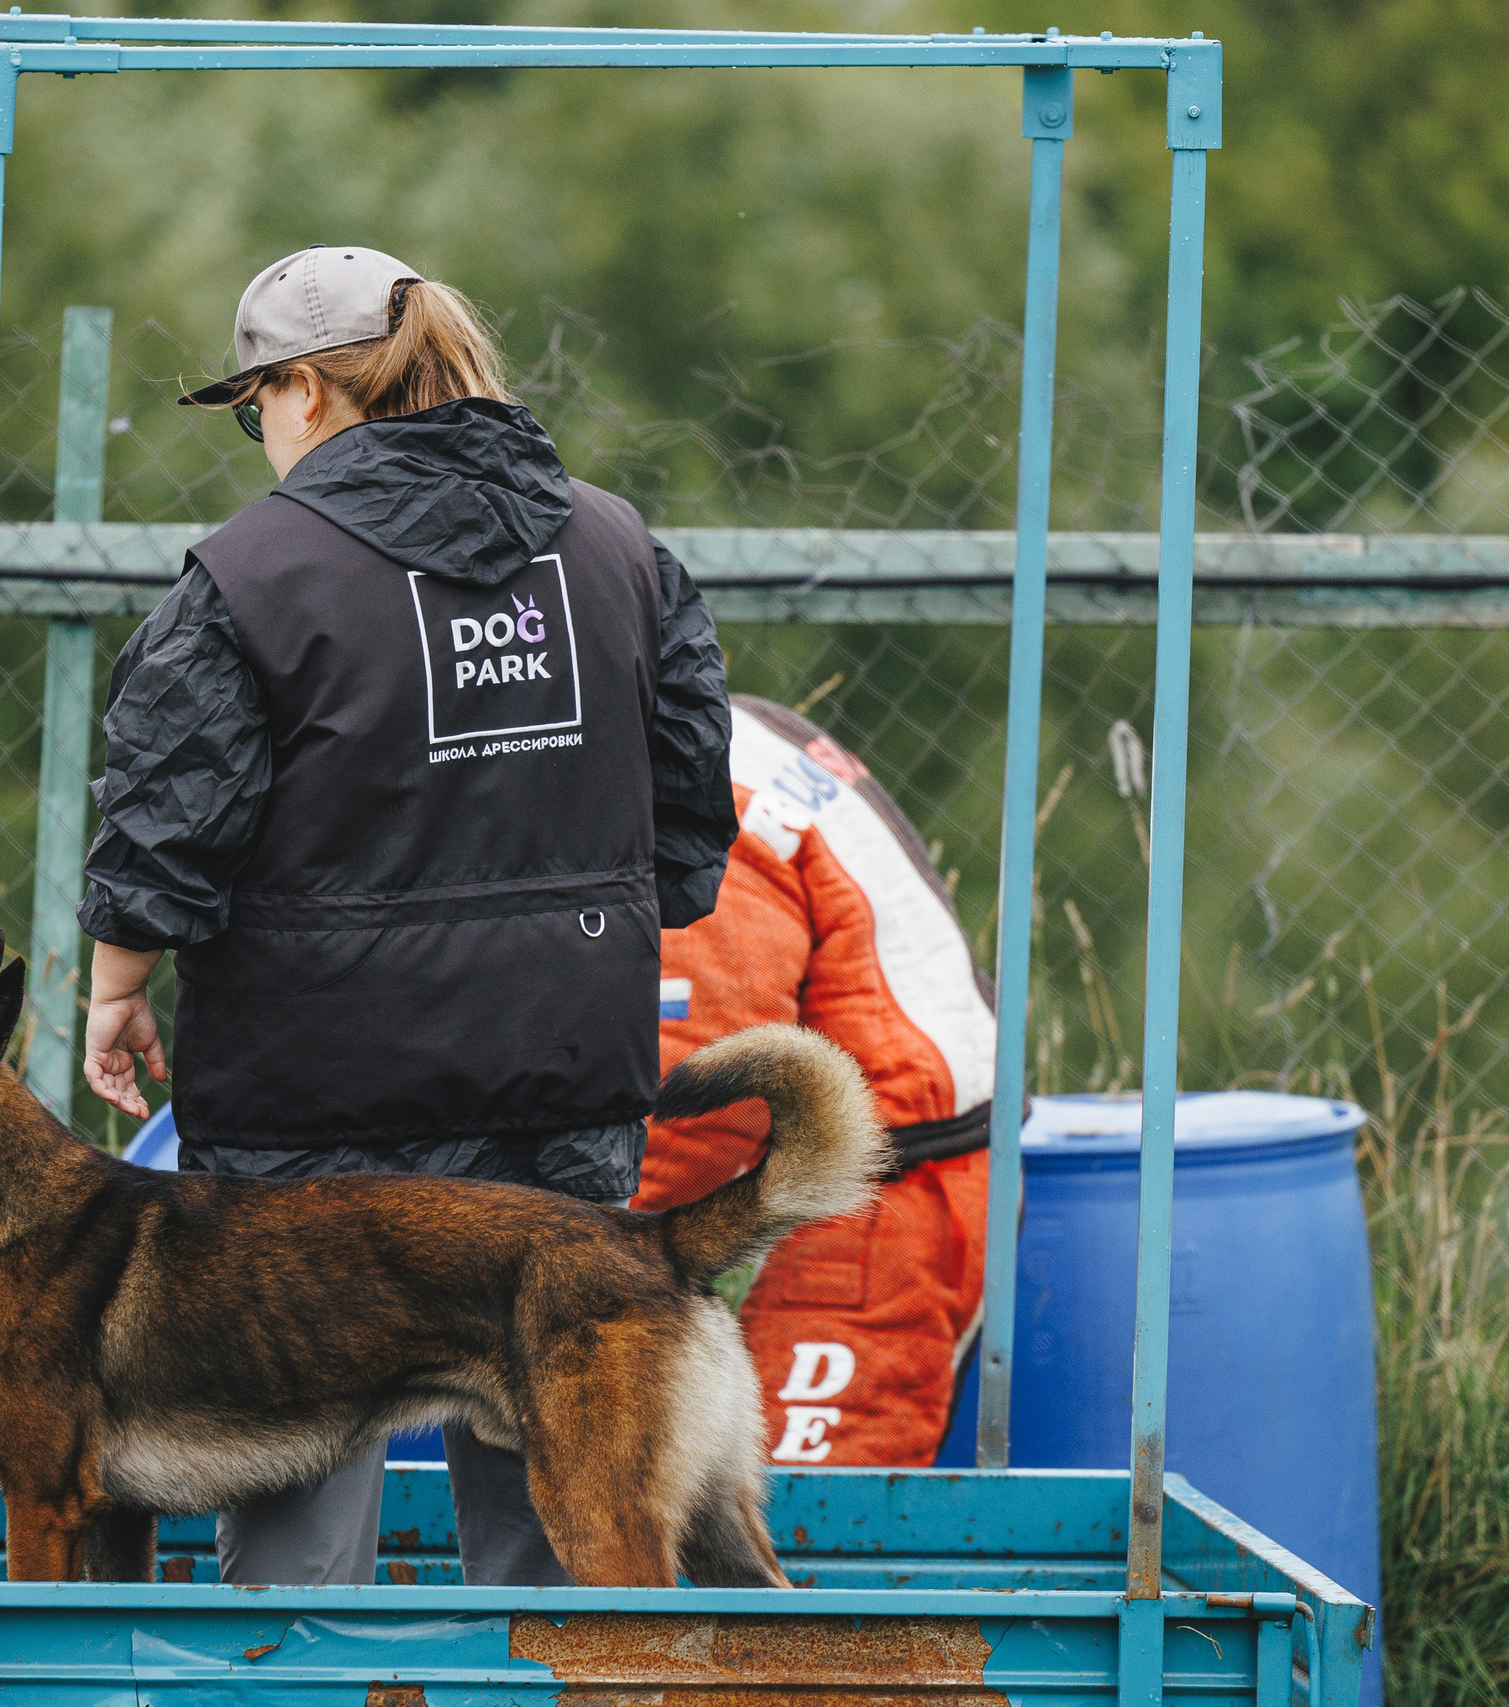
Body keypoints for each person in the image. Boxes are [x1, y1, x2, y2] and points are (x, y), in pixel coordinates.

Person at [77, 244, 738, 1588]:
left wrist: (115, 984)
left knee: (294, 1492)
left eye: (255, 402)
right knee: (563, 1493)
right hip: (564, 1083)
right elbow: (690, 816)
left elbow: (165, 817)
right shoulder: (618, 546)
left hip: (314, 1115)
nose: (258, 431)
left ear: (309, 391)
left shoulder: (251, 574)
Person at [640, 694, 999, 1468]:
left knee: (812, 1509)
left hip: (881, 1182)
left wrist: (592, 1243)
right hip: (872, 1154)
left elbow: (698, 1083)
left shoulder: (696, 796)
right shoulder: (710, 733)